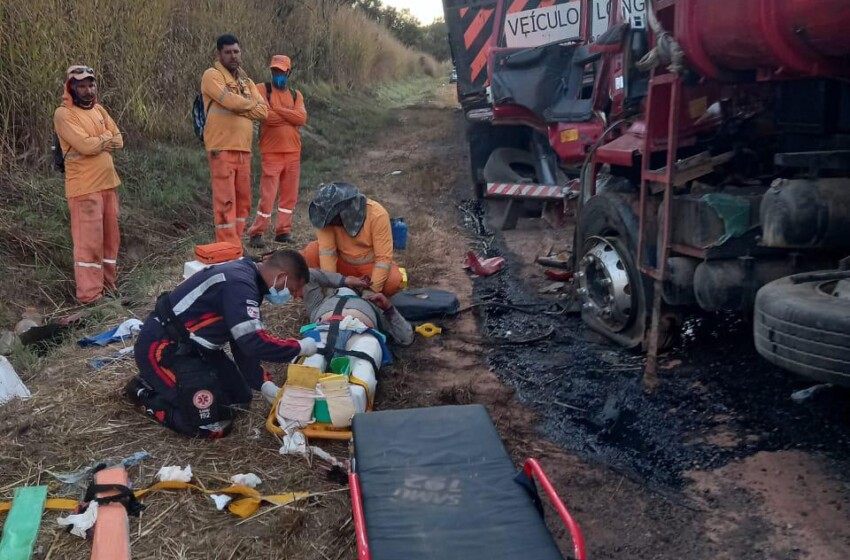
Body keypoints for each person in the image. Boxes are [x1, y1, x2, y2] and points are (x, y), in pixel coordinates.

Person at [124, 249, 365, 438]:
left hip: (199, 348)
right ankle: (145, 392)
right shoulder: (240, 284)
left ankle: (183, 384)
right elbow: (252, 342)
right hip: (163, 348)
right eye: (291, 289)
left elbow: (241, 341)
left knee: (240, 398)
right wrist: (299, 347)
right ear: (281, 277)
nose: (292, 296)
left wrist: (261, 383)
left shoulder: (250, 282)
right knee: (211, 425)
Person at [54, 65, 124, 304]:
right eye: (81, 86)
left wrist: (100, 141)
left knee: (110, 241)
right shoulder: (63, 114)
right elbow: (86, 146)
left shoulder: (100, 110)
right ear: (71, 88)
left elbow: (120, 140)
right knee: (88, 244)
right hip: (84, 188)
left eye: (91, 85)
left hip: (107, 185)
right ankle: (90, 296)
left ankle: (108, 288)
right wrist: (105, 138)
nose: (87, 90)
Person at [201, 34, 268, 248]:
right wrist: (249, 104)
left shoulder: (246, 82)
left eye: (236, 52)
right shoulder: (211, 76)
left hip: (244, 150)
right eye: (228, 52)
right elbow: (229, 101)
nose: (233, 56)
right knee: (226, 201)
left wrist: (244, 105)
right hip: (221, 149)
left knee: (243, 201)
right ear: (219, 54)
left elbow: (264, 111)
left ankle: (235, 245)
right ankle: (227, 247)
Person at [247, 55, 307, 248]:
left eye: (281, 72)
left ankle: (283, 231)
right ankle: (257, 233)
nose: (277, 75)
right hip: (271, 153)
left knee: (289, 196)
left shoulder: (297, 94)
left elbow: (301, 119)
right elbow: (266, 117)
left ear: (289, 72)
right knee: (268, 196)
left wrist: (278, 110)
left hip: (293, 153)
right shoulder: (262, 89)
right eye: (274, 71)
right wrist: (289, 115)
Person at [303, 183, 404, 296]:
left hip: (370, 266)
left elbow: (383, 259)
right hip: (341, 264)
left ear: (346, 213)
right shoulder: (324, 218)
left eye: (333, 220)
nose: (330, 224)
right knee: (311, 252)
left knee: (393, 281)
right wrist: (332, 289)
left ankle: (363, 288)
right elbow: (327, 253)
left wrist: (372, 290)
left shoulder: (377, 215)